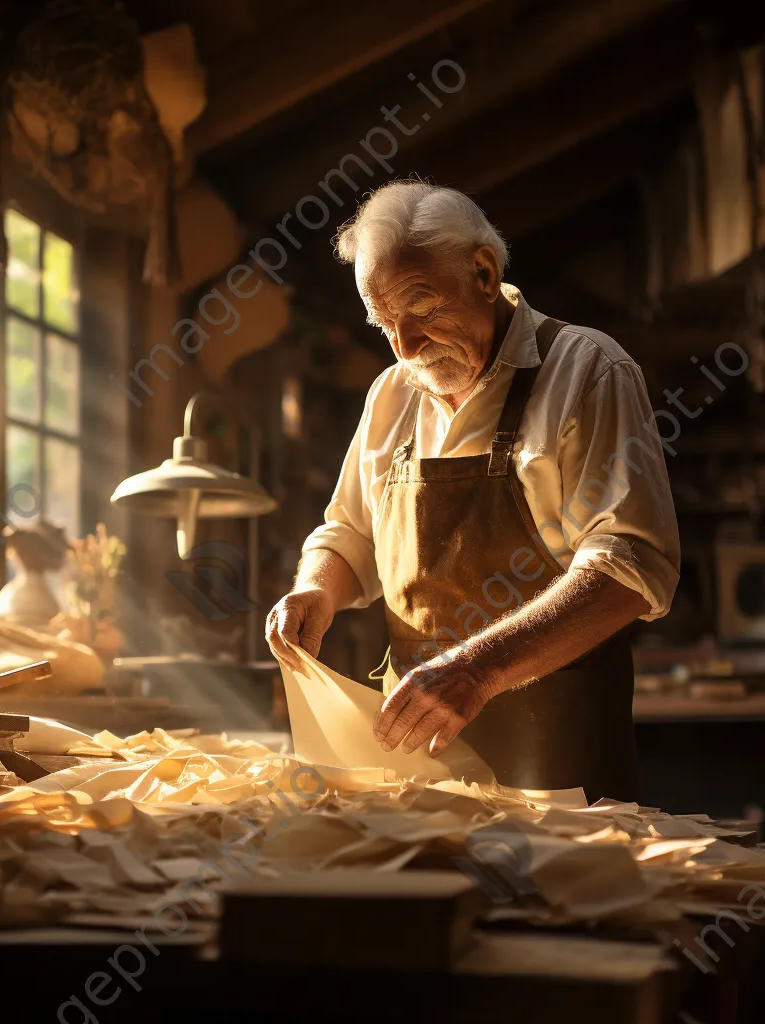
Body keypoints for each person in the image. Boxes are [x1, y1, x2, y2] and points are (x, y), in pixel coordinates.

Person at [266, 180, 680, 801]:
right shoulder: (393, 394)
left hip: (559, 775)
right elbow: (350, 533)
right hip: (418, 770)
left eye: (422, 308)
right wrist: (314, 589)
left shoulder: (586, 371)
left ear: (483, 274)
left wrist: (476, 671)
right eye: (384, 325)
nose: (404, 347)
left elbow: (629, 565)